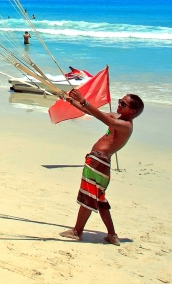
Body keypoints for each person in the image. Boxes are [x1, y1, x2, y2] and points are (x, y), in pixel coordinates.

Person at [59, 91, 145, 246]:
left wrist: (84, 100)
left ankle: (77, 231)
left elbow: (103, 119)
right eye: (120, 101)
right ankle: (112, 235)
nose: (119, 105)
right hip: (98, 161)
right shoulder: (117, 117)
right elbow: (91, 112)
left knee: (89, 196)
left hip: (99, 162)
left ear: (132, 111)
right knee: (98, 198)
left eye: (123, 104)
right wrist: (71, 101)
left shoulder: (126, 126)